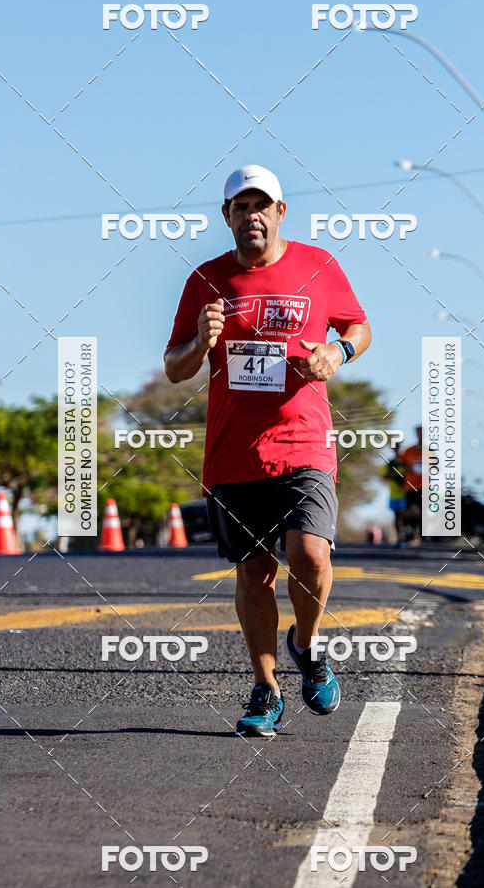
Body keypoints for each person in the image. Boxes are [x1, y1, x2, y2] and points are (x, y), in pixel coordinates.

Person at [164, 164, 371, 737]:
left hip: (304, 442)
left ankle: (307, 644)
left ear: (280, 212)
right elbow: (175, 366)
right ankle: (267, 689)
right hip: (234, 454)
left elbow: (358, 326)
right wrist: (200, 343)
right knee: (254, 573)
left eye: (261, 205)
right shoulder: (206, 280)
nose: (251, 215)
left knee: (311, 555)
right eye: (240, 206)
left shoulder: (318, 265)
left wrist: (337, 352)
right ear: (226, 215)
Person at [380, 444, 407, 545]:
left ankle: (411, 536)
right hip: (394, 494)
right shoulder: (390, 463)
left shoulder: (405, 460)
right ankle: (400, 538)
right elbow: (384, 475)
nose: (396, 449)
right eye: (394, 447)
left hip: (406, 492)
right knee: (397, 516)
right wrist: (395, 474)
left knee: (407, 515)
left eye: (398, 446)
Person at [400, 426, 423, 544]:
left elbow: (435, 466)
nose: (420, 435)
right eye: (419, 432)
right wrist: (407, 468)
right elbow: (401, 464)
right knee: (412, 512)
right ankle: (411, 534)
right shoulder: (408, 451)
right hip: (410, 487)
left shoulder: (429, 451)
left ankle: (421, 536)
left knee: (422, 512)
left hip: (424, 486)